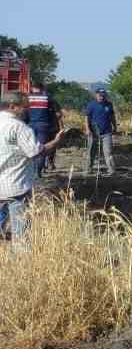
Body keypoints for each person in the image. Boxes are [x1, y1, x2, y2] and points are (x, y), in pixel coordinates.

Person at [1, 91, 69, 243]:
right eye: (25, 106)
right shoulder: (19, 127)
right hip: (16, 187)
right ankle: (20, 261)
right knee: (21, 234)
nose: (28, 110)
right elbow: (37, 152)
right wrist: (56, 141)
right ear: (12, 106)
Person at [25, 84, 59, 173]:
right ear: (42, 88)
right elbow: (57, 113)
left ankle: (30, 170)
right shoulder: (48, 98)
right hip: (43, 126)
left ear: (32, 88)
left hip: (29, 125)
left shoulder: (27, 98)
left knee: (29, 148)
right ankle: (39, 171)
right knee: (41, 148)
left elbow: (23, 113)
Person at [84, 88, 117, 174]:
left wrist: (115, 126)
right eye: (99, 95)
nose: (101, 97)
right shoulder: (91, 105)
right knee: (91, 151)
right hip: (93, 132)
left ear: (105, 95)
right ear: (96, 95)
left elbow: (112, 117)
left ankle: (111, 169)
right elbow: (87, 118)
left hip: (107, 132)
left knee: (108, 152)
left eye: (103, 95)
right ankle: (88, 168)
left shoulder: (109, 105)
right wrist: (87, 129)